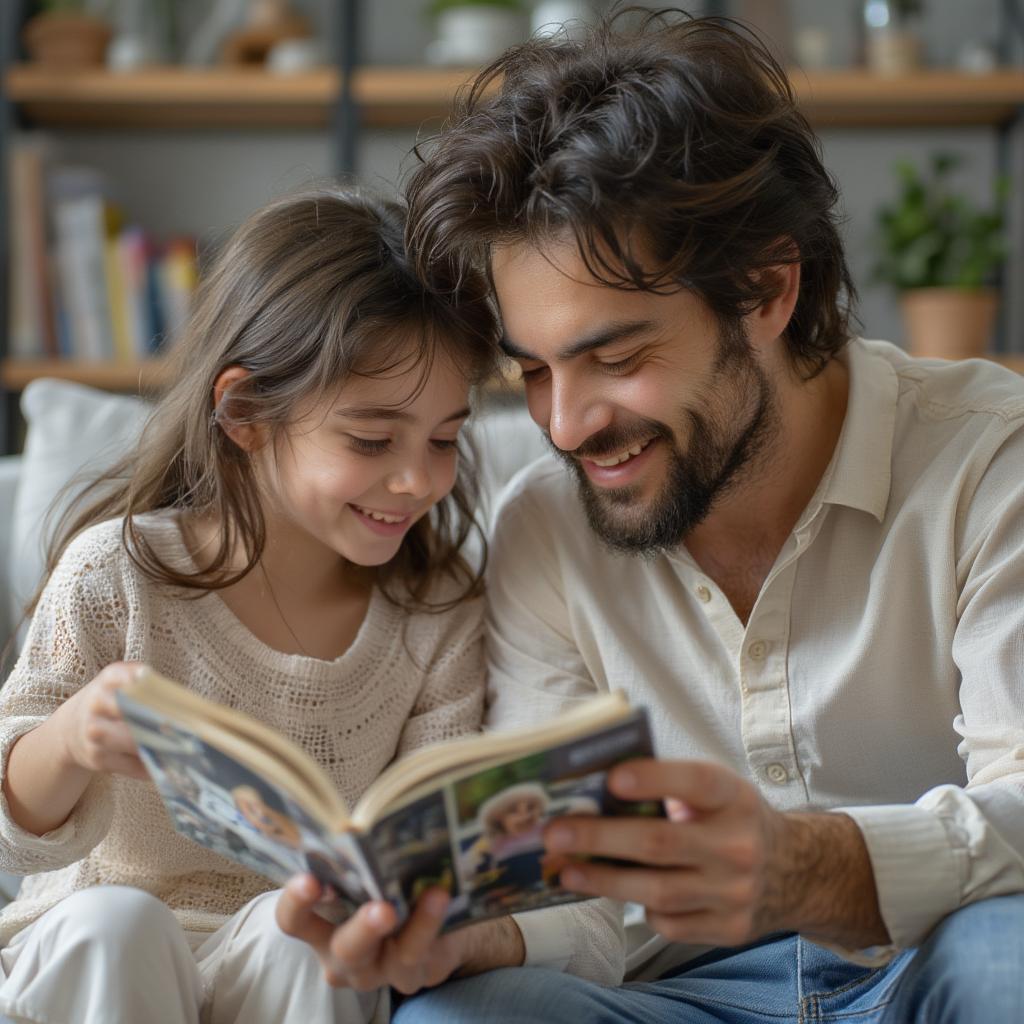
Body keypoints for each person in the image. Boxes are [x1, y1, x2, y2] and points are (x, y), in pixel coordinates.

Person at [278, 10, 1024, 1022]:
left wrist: (809, 866)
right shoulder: (545, 522)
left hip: (929, 966)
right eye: (533, 371)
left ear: (764, 288)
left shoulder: (988, 456)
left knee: (1007, 958)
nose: (566, 423)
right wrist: (466, 930)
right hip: (680, 999)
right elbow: (569, 900)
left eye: (616, 359)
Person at [0, 187, 499, 1024]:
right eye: (372, 440)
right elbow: (12, 824)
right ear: (245, 415)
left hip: (290, 957)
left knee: (300, 931)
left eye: (443, 439)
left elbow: (431, 853)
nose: (418, 479)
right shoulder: (116, 573)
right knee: (121, 925)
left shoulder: (434, 614)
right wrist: (72, 737)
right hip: (95, 951)